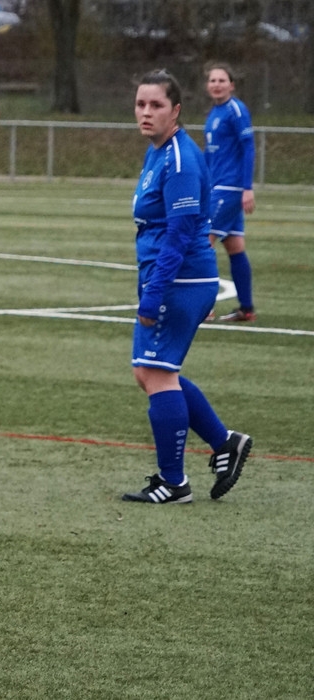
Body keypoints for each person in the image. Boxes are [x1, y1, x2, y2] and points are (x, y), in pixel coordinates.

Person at [122, 69, 252, 505]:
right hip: (178, 279)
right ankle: (224, 442)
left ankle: (173, 482)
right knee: (151, 372)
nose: (146, 112)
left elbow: (178, 236)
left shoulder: (179, 159)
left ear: (175, 110)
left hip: (178, 279)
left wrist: (154, 295)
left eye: (156, 105)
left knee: (156, 374)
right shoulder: (158, 151)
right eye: (141, 104)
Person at [203, 62, 257, 322]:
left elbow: (249, 147)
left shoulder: (236, 110)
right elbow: (210, 154)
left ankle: (204, 307)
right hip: (218, 185)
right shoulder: (214, 113)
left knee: (202, 242)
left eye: (221, 80)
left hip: (230, 187)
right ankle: (246, 309)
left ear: (231, 85)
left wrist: (247, 188)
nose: (217, 85)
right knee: (235, 246)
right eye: (213, 80)